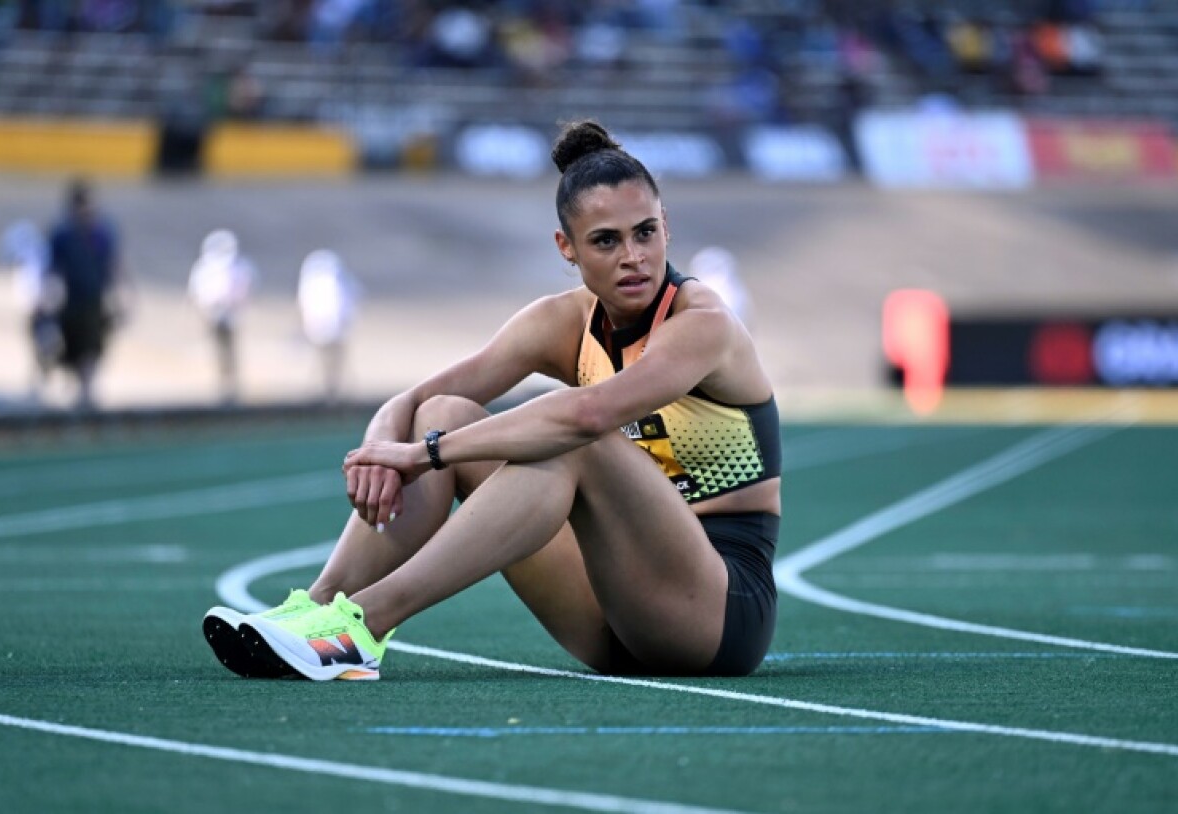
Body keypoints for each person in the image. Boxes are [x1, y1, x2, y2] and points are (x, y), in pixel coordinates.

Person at [203, 120, 782, 682]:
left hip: (716, 614)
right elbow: (418, 399)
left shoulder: (701, 324)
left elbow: (586, 415)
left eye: (645, 232)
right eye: (606, 240)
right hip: (610, 614)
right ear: (568, 248)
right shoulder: (561, 321)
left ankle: (363, 627)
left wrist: (426, 454)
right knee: (441, 412)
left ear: (666, 227)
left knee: (577, 441)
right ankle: (322, 603)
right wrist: (381, 450)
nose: (633, 256)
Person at [46, 179, 126, 409]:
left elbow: (114, 264)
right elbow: (53, 267)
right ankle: (78, 385)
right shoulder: (62, 234)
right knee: (69, 347)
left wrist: (122, 295)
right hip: (70, 300)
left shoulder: (102, 232)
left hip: (94, 300)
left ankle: (88, 390)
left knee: (93, 346)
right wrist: (50, 295)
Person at [187, 229, 255, 404]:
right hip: (213, 312)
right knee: (219, 350)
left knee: (230, 350)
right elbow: (197, 291)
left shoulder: (238, 266)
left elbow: (244, 288)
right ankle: (223, 385)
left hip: (231, 313)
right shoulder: (206, 267)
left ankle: (232, 385)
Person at [0, 219, 62, 398]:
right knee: (39, 342)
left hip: (41, 305)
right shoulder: (31, 252)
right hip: (36, 305)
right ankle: (39, 378)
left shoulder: (39, 253)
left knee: (44, 342)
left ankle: (40, 378)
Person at [297, 248, 357, 403]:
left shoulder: (331, 283)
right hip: (323, 329)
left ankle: (331, 391)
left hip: (330, 330)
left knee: (332, 362)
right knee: (324, 361)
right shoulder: (322, 284)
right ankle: (324, 391)